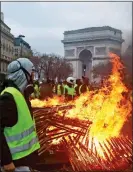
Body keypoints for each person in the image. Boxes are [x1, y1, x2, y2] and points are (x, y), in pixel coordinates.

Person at [0, 58, 40, 172]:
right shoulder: (8, 97)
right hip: (13, 163)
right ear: (24, 74)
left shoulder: (20, 94)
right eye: (31, 72)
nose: (33, 76)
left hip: (23, 160)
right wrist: (6, 161)